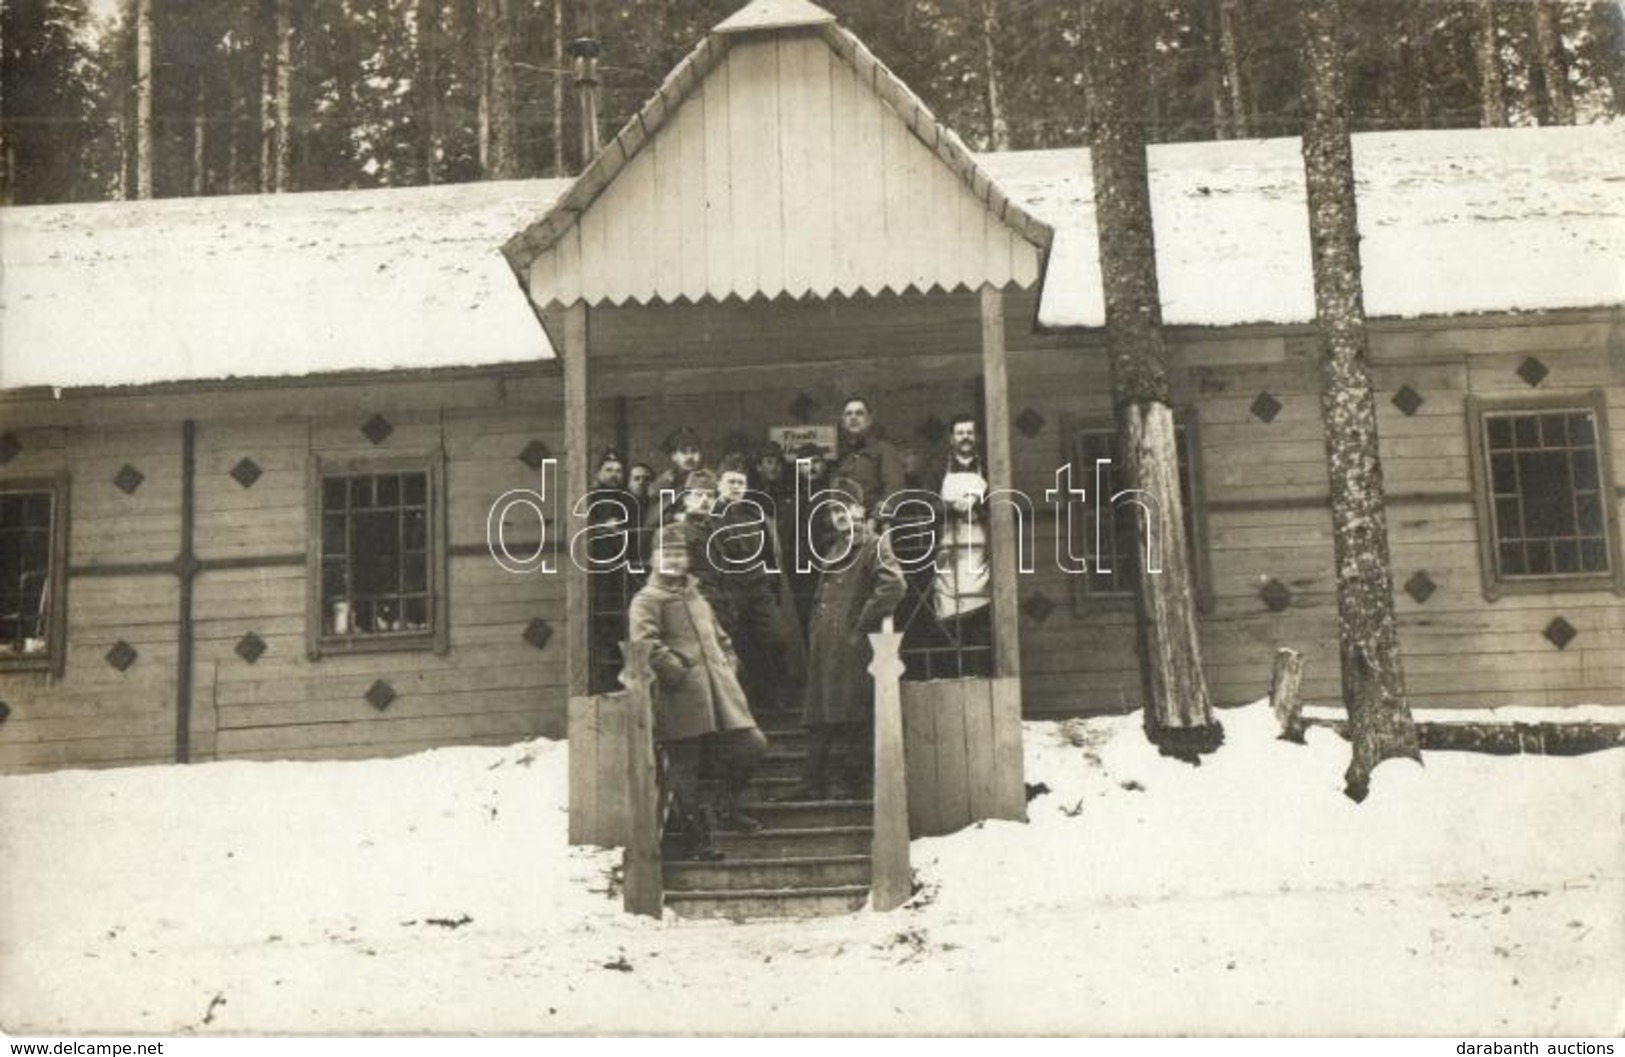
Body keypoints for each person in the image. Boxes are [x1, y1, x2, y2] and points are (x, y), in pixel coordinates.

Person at [628, 524, 768, 860]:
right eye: (667, 554)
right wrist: (678, 672)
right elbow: (644, 643)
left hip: (720, 693)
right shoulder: (647, 600)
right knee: (685, 767)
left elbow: (721, 638)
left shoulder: (697, 597)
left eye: (679, 554)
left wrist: (728, 666)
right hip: (680, 696)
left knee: (752, 746)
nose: (674, 560)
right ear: (653, 559)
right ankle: (696, 839)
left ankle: (725, 807)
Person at [785, 482, 905, 801]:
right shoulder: (835, 548)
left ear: (860, 510)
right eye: (835, 511)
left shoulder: (873, 545)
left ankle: (850, 782)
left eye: (846, 508)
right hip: (826, 644)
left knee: (848, 712)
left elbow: (893, 585)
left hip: (851, 644)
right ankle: (812, 780)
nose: (840, 516)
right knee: (821, 714)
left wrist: (860, 623)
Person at [931, 415, 993, 678]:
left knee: (977, 613)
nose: (965, 437)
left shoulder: (990, 469)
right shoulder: (937, 471)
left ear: (976, 437)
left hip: (978, 550)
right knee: (948, 612)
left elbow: (1000, 504)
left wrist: (977, 507)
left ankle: (977, 674)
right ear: (951, 439)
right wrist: (950, 507)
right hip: (948, 549)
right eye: (959, 433)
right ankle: (952, 676)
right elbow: (927, 505)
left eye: (970, 432)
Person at [833, 397, 904, 520]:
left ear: (869, 420)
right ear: (843, 421)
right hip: (843, 525)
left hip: (873, 526)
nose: (853, 417)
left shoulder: (884, 450)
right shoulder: (841, 456)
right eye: (848, 414)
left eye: (859, 413)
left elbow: (894, 490)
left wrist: (875, 519)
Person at [647, 427, 705, 526]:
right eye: (684, 452)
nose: (690, 457)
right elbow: (654, 519)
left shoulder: (709, 480)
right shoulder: (664, 483)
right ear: (674, 456)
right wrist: (677, 517)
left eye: (694, 451)